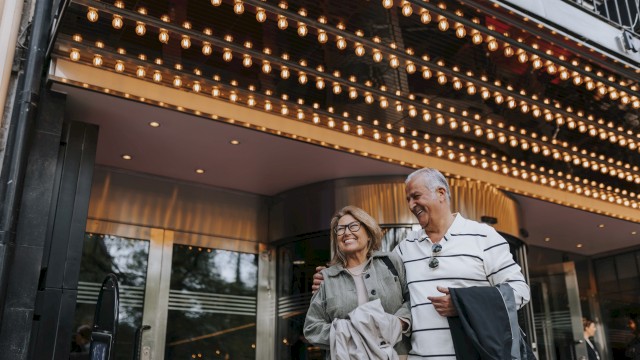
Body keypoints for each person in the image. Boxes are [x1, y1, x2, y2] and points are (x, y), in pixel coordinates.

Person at [313, 168, 531, 359]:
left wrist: (463, 304)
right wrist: (331, 280)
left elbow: (520, 291)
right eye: (408, 199)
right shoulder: (403, 249)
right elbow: (372, 285)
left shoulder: (484, 237)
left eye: (416, 196)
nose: (411, 205)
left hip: (475, 354)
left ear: (441, 193)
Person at [304, 205, 411, 359]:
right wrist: (349, 333)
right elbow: (312, 328)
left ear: (368, 233)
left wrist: (398, 323)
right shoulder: (327, 277)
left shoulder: (391, 262)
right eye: (340, 229)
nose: (347, 232)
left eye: (353, 226)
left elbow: (412, 300)